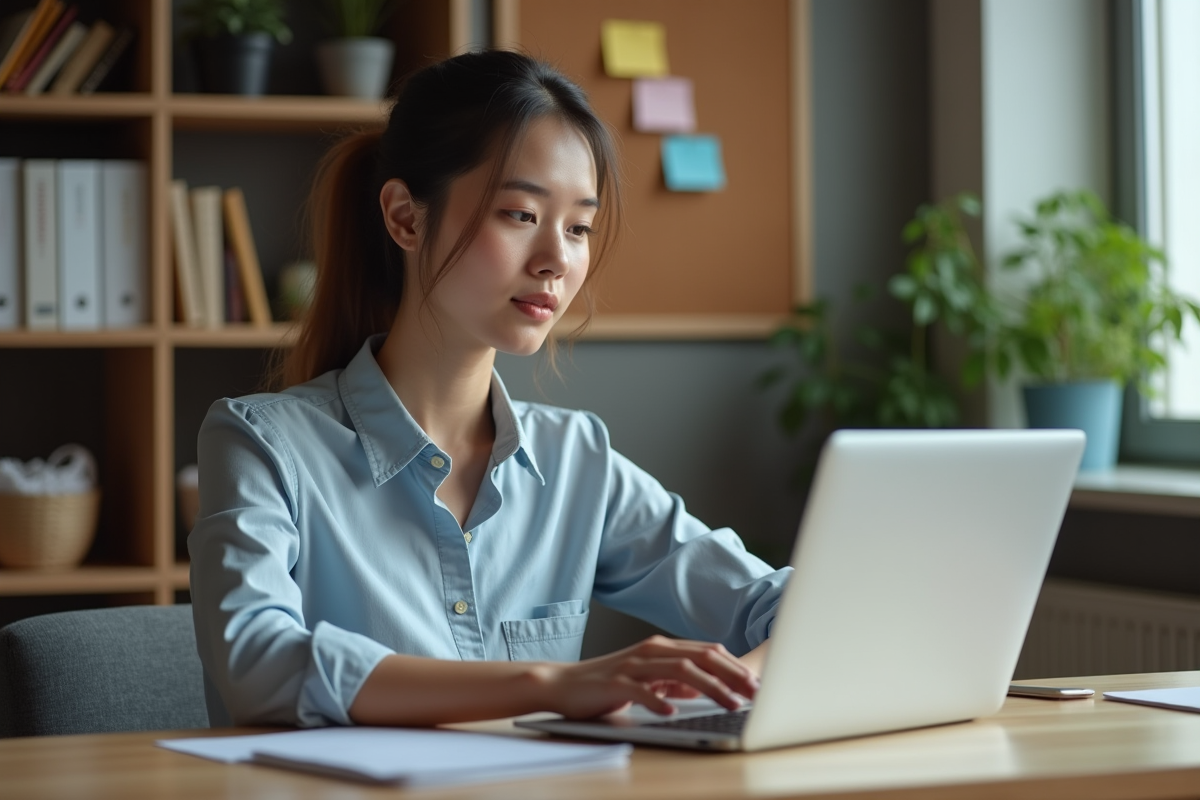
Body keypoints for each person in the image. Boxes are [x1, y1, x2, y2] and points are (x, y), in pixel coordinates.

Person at [189, 50, 791, 729]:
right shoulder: (261, 443)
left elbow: (786, 601)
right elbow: (258, 664)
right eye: (521, 214)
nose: (557, 261)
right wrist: (551, 684)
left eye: (579, 227)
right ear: (406, 219)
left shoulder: (574, 459)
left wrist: (739, 680)